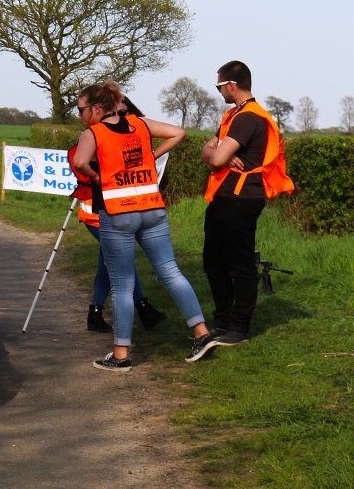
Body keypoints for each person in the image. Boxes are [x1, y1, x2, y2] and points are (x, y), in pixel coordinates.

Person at [71, 81, 216, 372]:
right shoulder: (139, 124)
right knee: (171, 271)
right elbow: (179, 133)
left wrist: (99, 179)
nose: (80, 115)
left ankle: (121, 354)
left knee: (123, 285)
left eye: (81, 109)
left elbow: (80, 161)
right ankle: (202, 334)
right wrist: (153, 155)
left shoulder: (94, 133)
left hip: (117, 213)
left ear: (97, 108)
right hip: (152, 208)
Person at [200, 61, 294, 346]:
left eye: (219, 86)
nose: (219, 92)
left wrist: (219, 154)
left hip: (241, 199)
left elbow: (213, 157)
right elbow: (207, 150)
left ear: (232, 84)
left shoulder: (248, 118)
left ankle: (239, 328)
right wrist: (219, 153)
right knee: (213, 261)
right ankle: (222, 320)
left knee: (238, 264)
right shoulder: (233, 114)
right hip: (224, 197)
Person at [67, 92, 167, 334]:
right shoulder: (88, 140)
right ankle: (140, 307)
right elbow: (84, 169)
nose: (122, 116)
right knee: (117, 262)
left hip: (116, 211)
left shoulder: (115, 133)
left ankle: (99, 311)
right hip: (97, 213)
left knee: (109, 261)